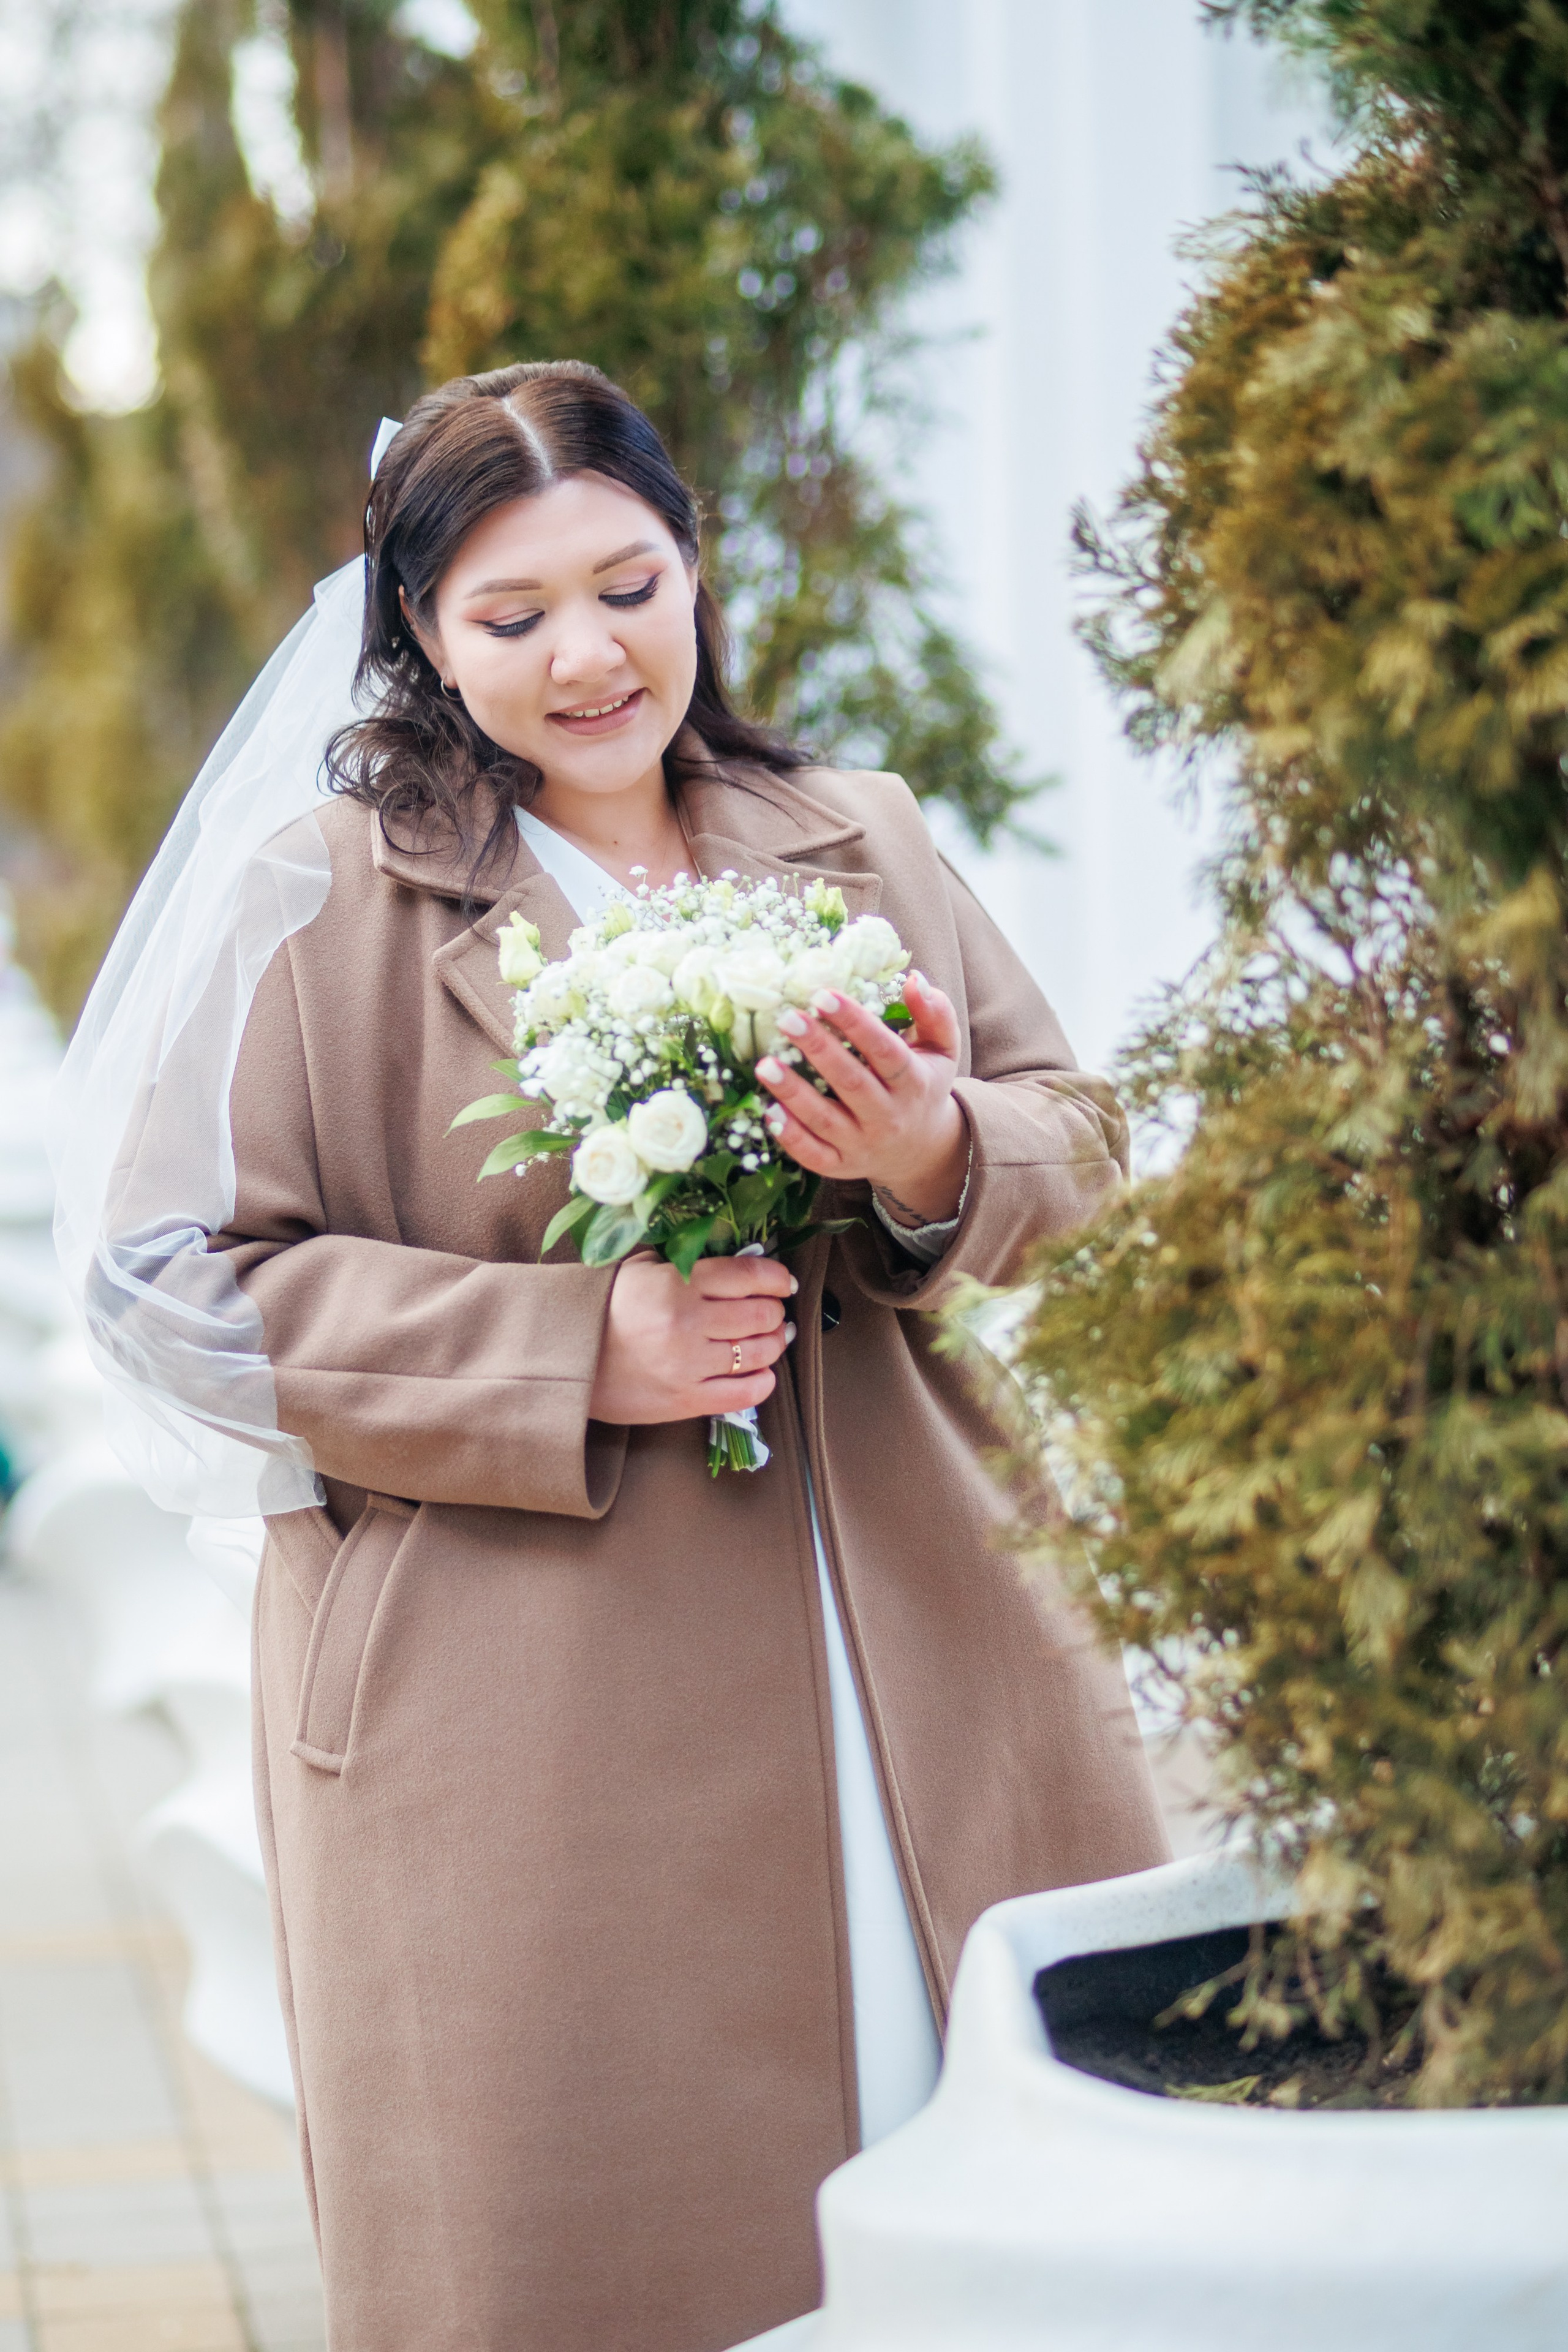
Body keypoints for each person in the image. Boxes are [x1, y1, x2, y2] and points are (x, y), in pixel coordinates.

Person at [56, 361, 1166, 2352]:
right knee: (614, 2251)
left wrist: (932, 1149)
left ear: (695, 569)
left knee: (976, 2210)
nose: (588, 656)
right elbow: (163, 1287)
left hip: (913, 1649)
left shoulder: (858, 835)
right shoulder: (317, 900)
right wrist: (572, 1349)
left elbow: (1077, 1131)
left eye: (628, 586)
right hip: (525, 1719)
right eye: (513, 614)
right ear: (420, 631)